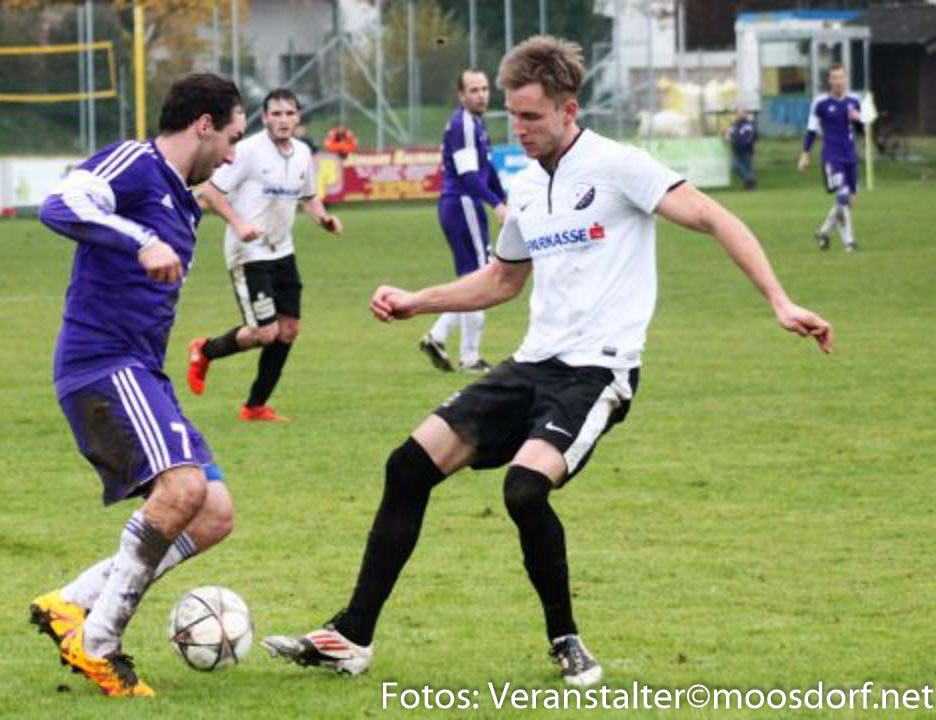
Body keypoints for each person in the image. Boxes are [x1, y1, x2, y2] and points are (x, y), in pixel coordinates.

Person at [262, 35, 833, 687]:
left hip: (599, 371)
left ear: (568, 109)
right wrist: (419, 301)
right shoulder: (528, 187)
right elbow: (503, 281)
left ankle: (565, 640)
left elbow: (714, 218)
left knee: (525, 489)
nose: (520, 129)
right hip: (532, 364)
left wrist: (780, 301)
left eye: (531, 117)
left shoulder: (619, 166)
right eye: (512, 116)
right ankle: (351, 636)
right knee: (407, 466)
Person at [30, 73, 246, 698]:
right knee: (181, 490)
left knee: (213, 514)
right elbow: (59, 205)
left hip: (141, 371)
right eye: (231, 137)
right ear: (203, 124)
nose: (233, 154)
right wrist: (142, 238)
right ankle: (99, 645)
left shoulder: (182, 196)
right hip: (102, 365)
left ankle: (70, 603)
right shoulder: (136, 162)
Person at [189, 88, 342, 422]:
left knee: (288, 330)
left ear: (297, 117)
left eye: (289, 113)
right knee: (264, 332)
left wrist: (324, 219)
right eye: (276, 114)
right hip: (249, 252)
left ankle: (255, 406)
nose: (283, 120)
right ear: (265, 118)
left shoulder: (302, 153)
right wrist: (239, 224)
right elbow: (211, 192)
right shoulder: (247, 151)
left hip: (282, 250)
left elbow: (309, 198)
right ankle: (205, 350)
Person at [419, 69, 507, 374]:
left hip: (458, 204)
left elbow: (486, 169)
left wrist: (503, 197)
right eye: (473, 90)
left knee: (473, 277)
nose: (481, 95)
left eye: (484, 89)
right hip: (463, 203)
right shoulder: (464, 125)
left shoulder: (475, 124)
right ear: (461, 95)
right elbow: (470, 176)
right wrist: (496, 204)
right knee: (483, 276)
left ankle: (438, 336)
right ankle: (469, 356)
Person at [797, 63, 861, 252]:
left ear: (846, 79)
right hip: (832, 157)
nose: (838, 81)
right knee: (842, 197)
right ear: (829, 80)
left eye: (841, 77)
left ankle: (823, 232)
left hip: (850, 156)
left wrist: (858, 119)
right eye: (834, 78)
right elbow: (811, 130)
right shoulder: (821, 103)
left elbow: (862, 129)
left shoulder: (854, 101)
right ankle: (849, 243)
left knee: (848, 202)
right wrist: (805, 154)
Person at [727, 106, 757, 190]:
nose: (739, 114)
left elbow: (751, 137)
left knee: (748, 168)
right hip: (736, 149)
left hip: (747, 150)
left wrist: (744, 143)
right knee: (735, 166)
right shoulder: (734, 124)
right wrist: (727, 135)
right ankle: (750, 180)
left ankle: (749, 187)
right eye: (738, 113)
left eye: (742, 112)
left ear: (745, 114)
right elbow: (729, 133)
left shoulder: (749, 124)